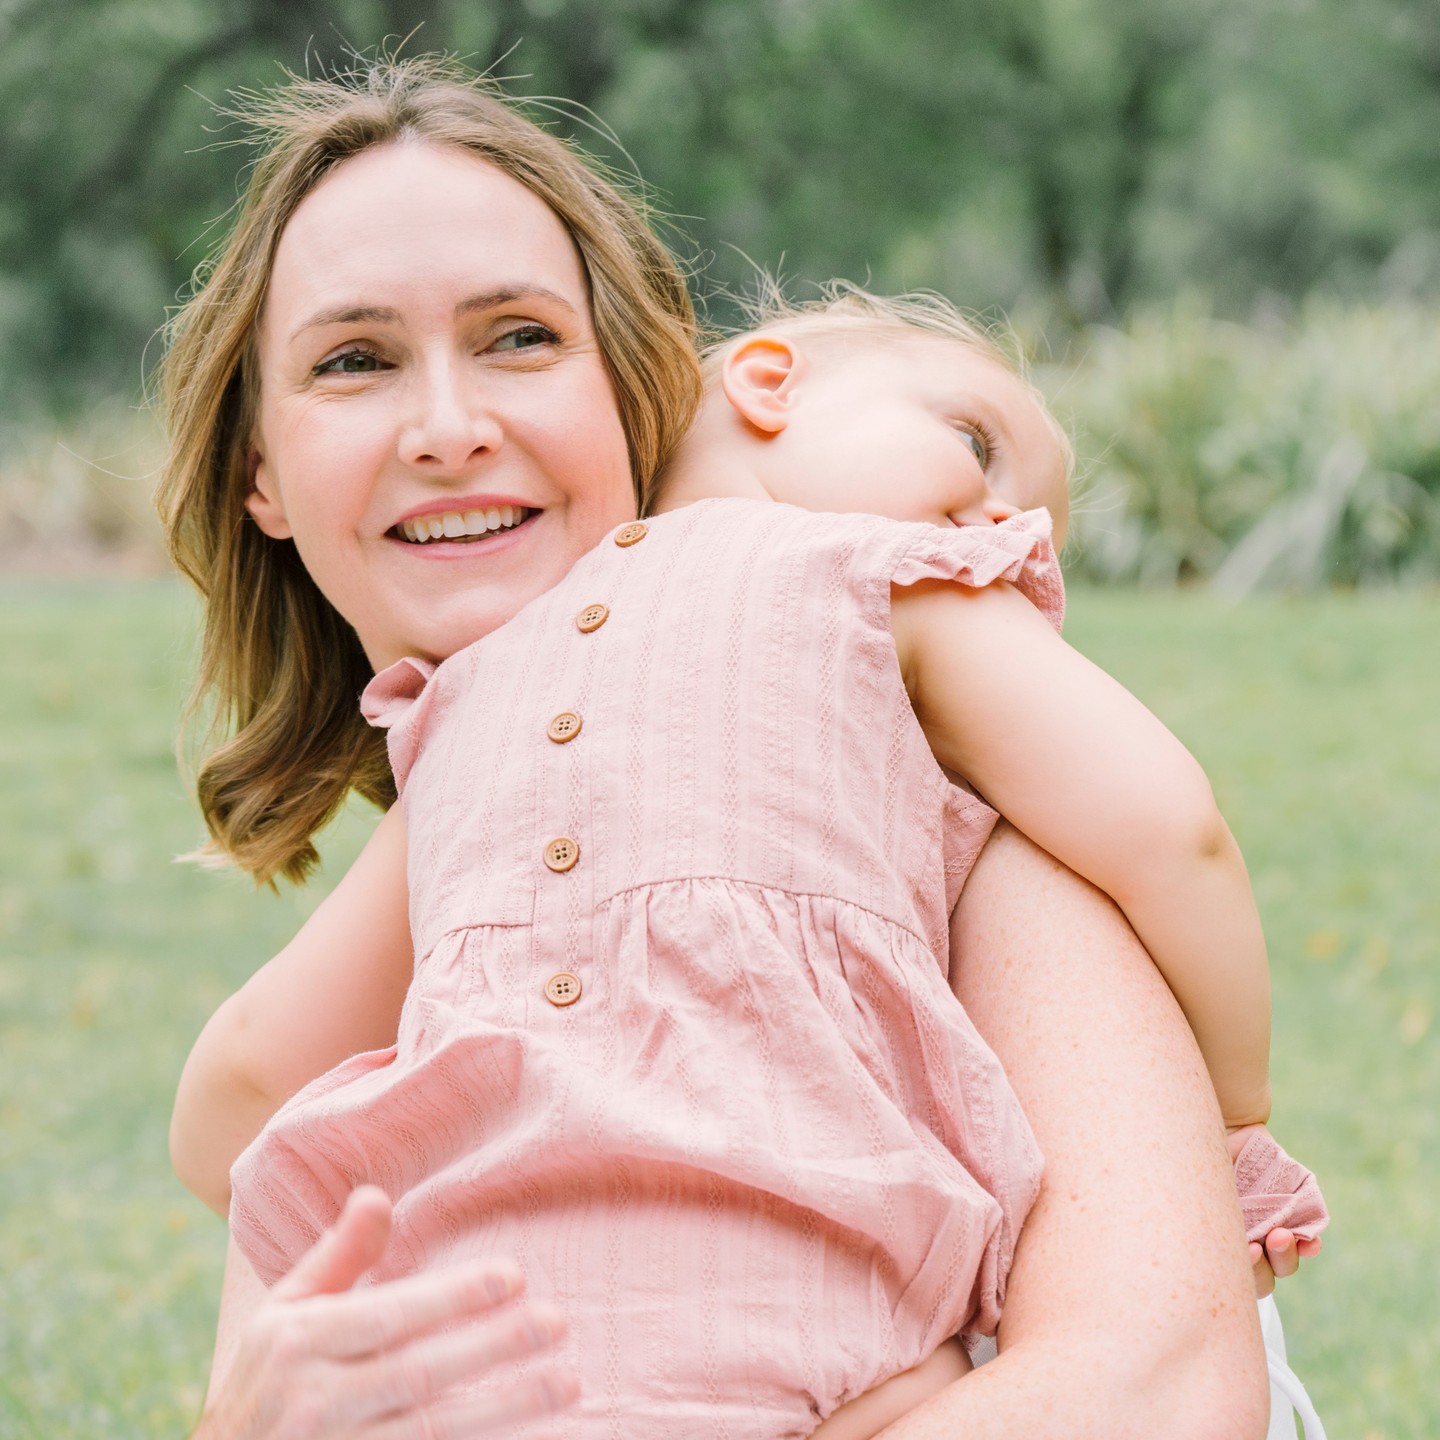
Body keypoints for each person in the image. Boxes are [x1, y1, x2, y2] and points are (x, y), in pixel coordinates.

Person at [158, 57, 1278, 1439]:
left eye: (519, 337)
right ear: (261, 473)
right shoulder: (436, 881)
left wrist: (1234, 1128)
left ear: (632, 384)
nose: (451, 430)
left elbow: (1152, 1390)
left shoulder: (944, 764)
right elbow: (248, 1109)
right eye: (353, 360)